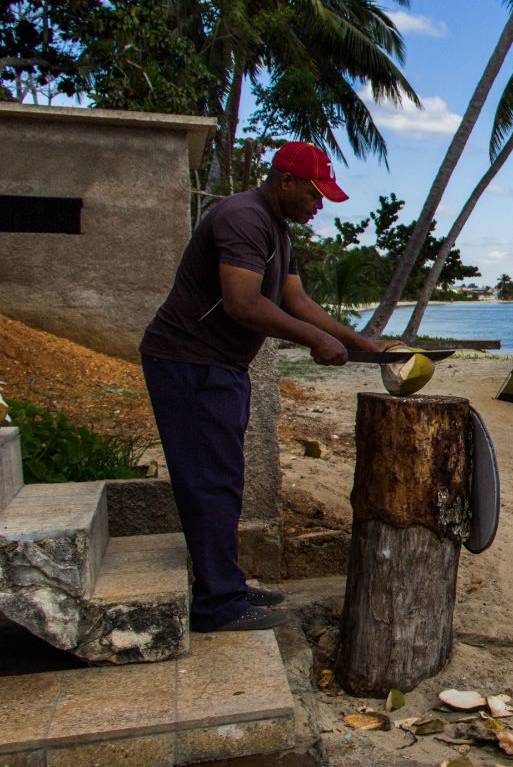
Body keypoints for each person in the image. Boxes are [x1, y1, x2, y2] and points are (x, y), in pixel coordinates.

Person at [140, 141, 392, 632]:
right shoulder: (242, 217)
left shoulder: (277, 227)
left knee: (224, 477)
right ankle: (218, 605)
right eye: (315, 195)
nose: (319, 206)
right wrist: (316, 341)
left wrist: (361, 342)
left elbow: (295, 299)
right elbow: (242, 302)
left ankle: (225, 584)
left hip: (220, 366)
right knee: (210, 481)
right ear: (285, 182)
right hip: (188, 362)